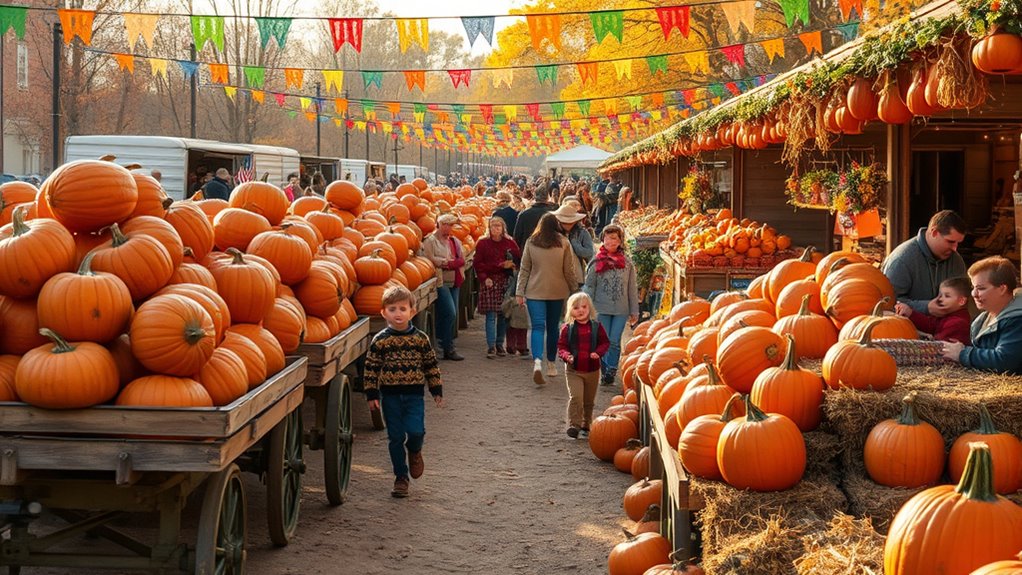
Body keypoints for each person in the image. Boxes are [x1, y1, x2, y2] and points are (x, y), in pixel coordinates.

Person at [363, 286, 444, 498]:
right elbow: (371, 368)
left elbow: (431, 365)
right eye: (392, 309)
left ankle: (415, 450)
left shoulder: (420, 339)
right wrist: (372, 395)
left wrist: (436, 388)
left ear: (412, 311)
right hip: (390, 396)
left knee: (416, 431)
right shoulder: (380, 340)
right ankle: (401, 477)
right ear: (383, 313)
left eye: (402, 308)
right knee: (395, 437)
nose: (397, 313)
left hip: (414, 395)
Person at [516, 213, 579, 385]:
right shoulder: (564, 243)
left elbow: (524, 269)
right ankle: (551, 363)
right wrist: (575, 290)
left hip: (534, 291)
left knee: (537, 327)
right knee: (553, 328)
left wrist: (519, 292)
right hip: (557, 291)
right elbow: (569, 271)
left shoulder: (531, 242)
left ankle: (537, 361)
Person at [941, 257, 1022, 374]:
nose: (973, 294)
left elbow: (1005, 361)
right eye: (973, 288)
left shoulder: (1017, 320)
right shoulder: (982, 320)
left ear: (1002, 289)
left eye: (981, 288)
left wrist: (962, 354)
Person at [583, 224, 640, 385]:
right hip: (601, 307)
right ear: (603, 240)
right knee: (603, 341)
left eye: (614, 238)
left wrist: (634, 310)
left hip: (621, 309)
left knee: (614, 341)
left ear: (620, 241)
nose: (610, 241)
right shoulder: (596, 262)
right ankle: (604, 371)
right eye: (607, 237)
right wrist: (587, 308)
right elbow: (590, 286)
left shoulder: (627, 264)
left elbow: (631, 288)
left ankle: (611, 370)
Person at [882, 210, 968, 315]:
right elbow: (887, 302)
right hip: (909, 327)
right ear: (934, 232)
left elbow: (963, 297)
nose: (955, 248)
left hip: (946, 326)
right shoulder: (901, 260)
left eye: (958, 243)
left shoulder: (956, 261)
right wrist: (926, 307)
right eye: (950, 242)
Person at [557, 292, 610, 439]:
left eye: (584, 307)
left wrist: (598, 353)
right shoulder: (568, 329)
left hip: (592, 369)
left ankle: (586, 424)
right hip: (574, 370)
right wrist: (567, 356)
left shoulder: (596, 327)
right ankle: (574, 425)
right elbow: (562, 346)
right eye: (576, 308)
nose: (580, 310)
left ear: (590, 308)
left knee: (588, 400)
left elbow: (605, 342)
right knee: (576, 397)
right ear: (570, 311)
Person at [473, 217, 521, 357]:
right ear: (489, 227)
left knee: (503, 314)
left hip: (505, 281)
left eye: (498, 226)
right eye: (493, 225)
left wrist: (511, 265)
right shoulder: (482, 244)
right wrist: (485, 277)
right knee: (491, 315)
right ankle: (491, 346)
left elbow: (518, 259)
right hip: (490, 281)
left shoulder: (510, 243)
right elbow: (478, 264)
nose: (496, 228)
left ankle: (500, 344)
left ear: (503, 228)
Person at [422, 213, 466, 361]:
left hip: (454, 281)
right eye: (445, 224)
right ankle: (444, 345)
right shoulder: (430, 241)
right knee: (450, 312)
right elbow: (429, 260)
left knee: (451, 315)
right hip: (440, 282)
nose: (448, 228)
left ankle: (447, 347)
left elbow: (461, 260)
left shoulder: (454, 241)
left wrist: (448, 263)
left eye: (450, 225)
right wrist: (445, 262)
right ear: (438, 224)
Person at [894, 276, 972, 344]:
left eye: (947, 296)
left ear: (961, 301)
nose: (940, 299)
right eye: (940, 295)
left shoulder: (958, 323)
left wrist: (928, 339)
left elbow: (940, 344)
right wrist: (910, 313)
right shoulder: (945, 315)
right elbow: (929, 324)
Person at [552, 203, 594, 290]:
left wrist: (575, 244)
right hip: (556, 275)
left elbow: (589, 253)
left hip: (577, 275)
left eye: (569, 222)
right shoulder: (553, 233)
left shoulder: (582, 232)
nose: (567, 225)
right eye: (564, 222)